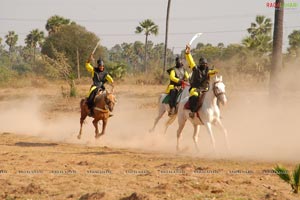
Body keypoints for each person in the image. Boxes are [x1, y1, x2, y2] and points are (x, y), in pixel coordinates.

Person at [185, 44, 218, 118]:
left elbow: (213, 72)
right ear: (200, 64)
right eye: (203, 64)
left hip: (205, 89)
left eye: (205, 64)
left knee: (215, 95)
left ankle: (216, 112)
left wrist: (216, 71)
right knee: (195, 96)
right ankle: (192, 111)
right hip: (195, 89)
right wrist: (188, 53)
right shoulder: (195, 68)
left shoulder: (208, 70)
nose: (204, 65)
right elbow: (191, 61)